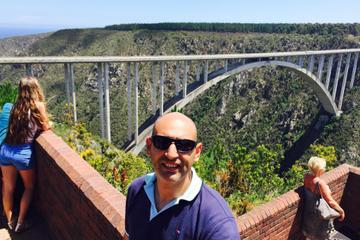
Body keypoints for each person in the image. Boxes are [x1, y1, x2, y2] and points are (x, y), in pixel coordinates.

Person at [125, 112, 240, 240]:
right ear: (149, 146)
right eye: (162, 142)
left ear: (196, 152)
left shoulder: (216, 224)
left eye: (184, 145)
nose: (171, 154)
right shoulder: (136, 190)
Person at [0, 77, 50, 233]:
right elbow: (46, 127)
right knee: (29, 187)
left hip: (5, 151)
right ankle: (20, 223)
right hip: (22, 154)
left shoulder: (14, 107)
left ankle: (9, 221)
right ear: (36, 89)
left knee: (8, 187)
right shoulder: (38, 106)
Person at [302, 157, 346, 240]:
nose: (325, 169)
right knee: (322, 233)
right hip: (319, 213)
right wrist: (341, 211)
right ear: (320, 170)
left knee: (311, 230)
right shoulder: (320, 183)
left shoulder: (306, 176)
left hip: (309, 210)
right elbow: (330, 201)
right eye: (324, 167)